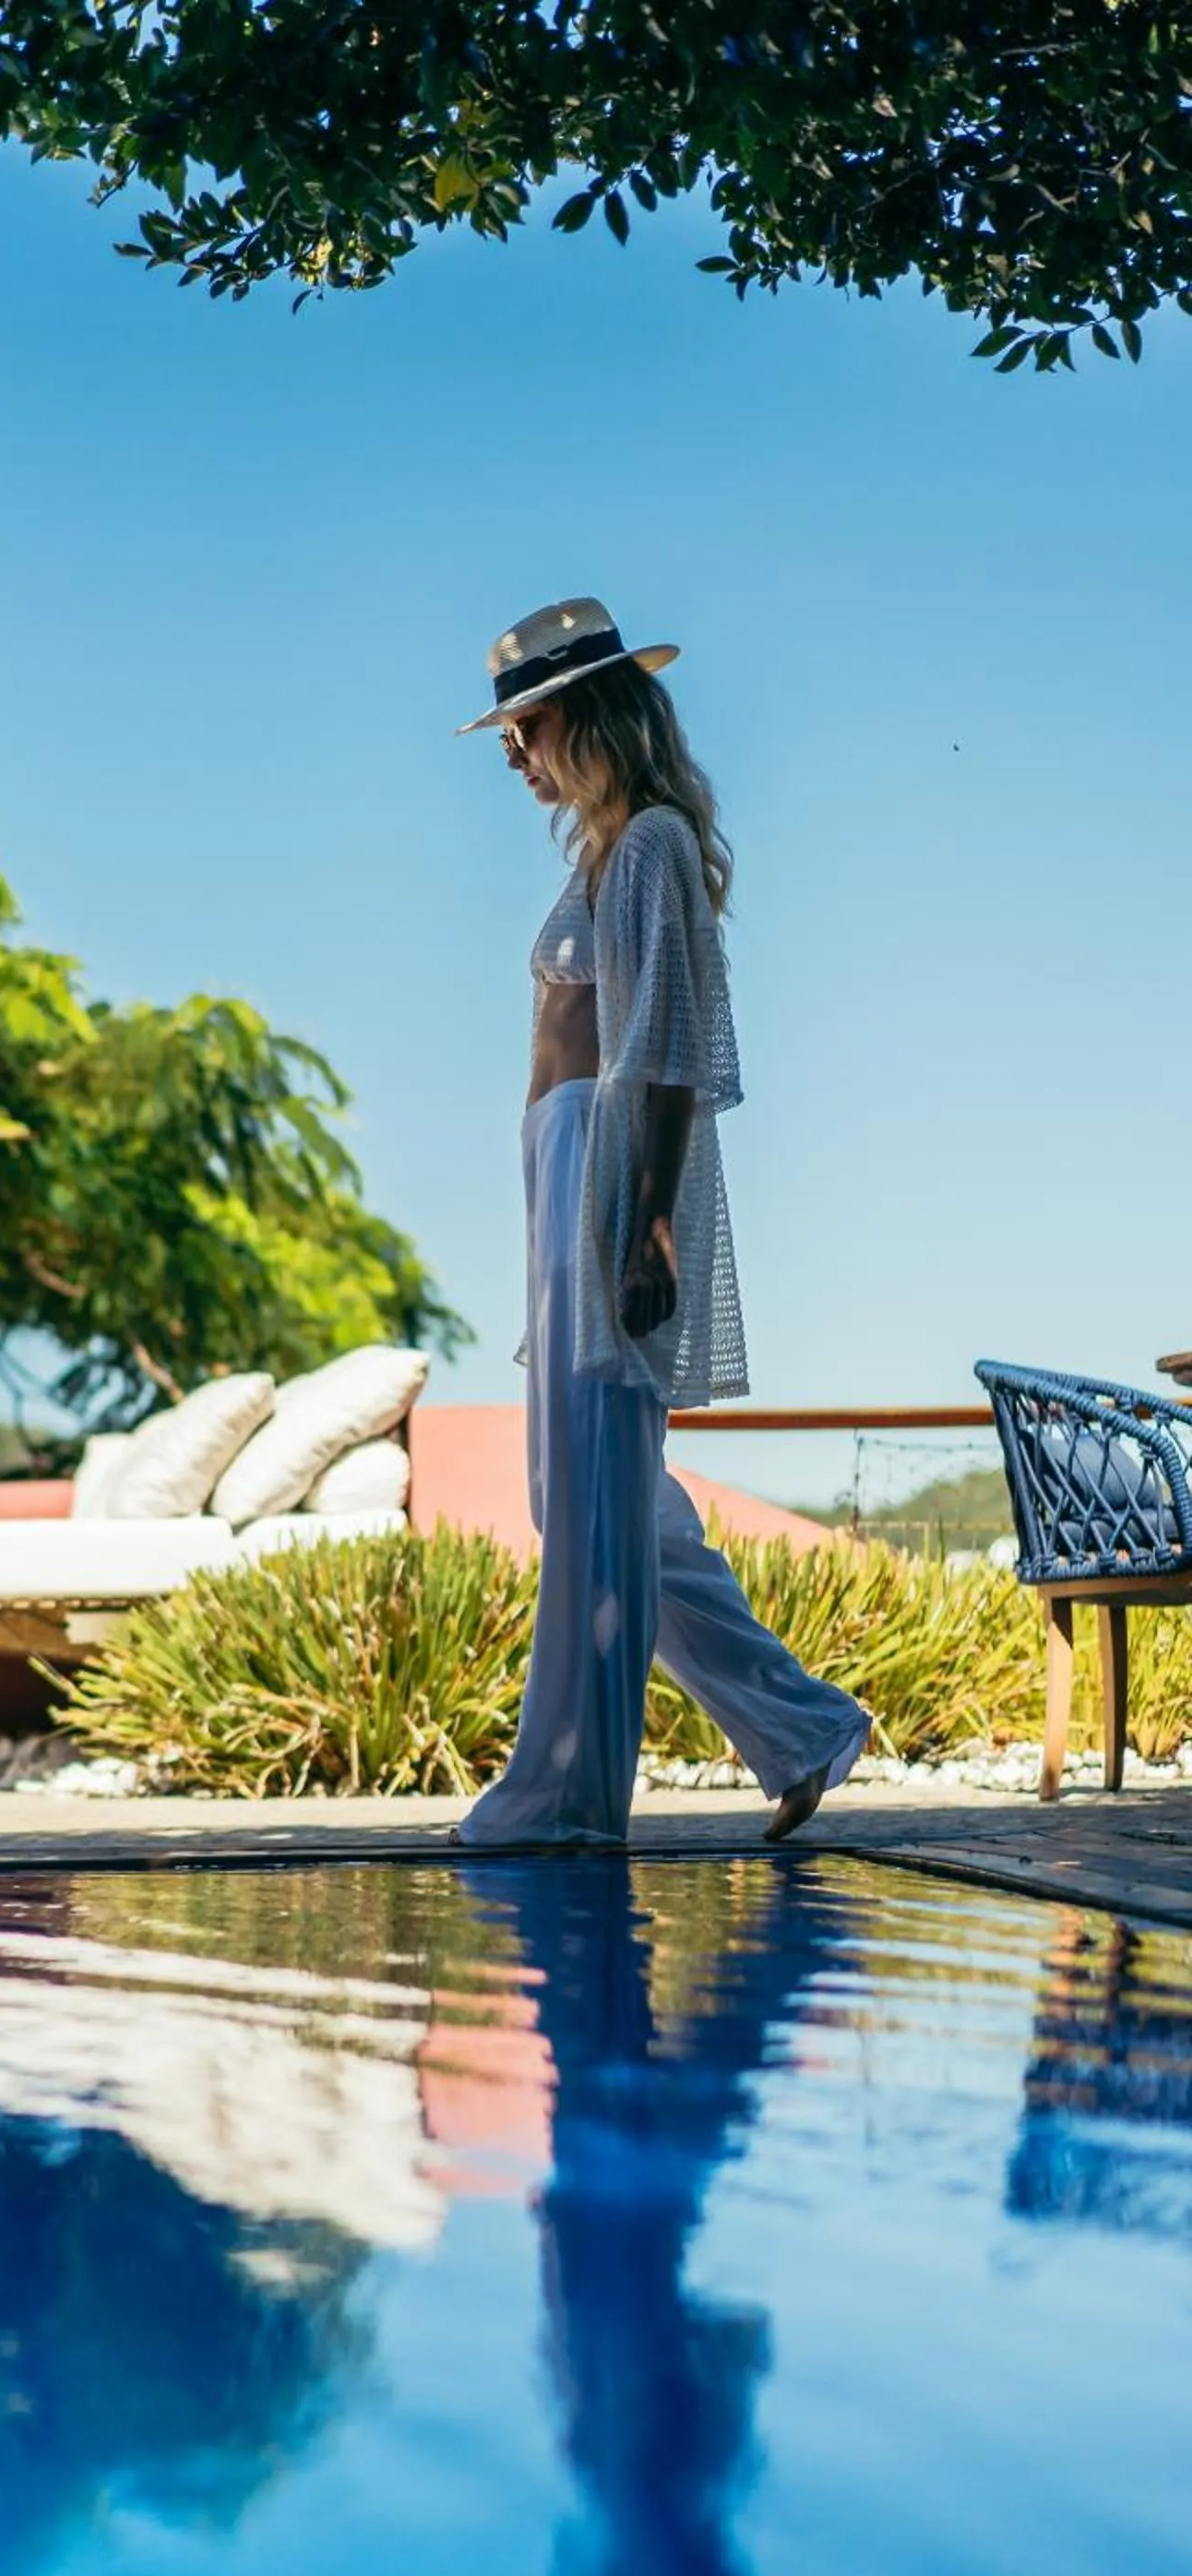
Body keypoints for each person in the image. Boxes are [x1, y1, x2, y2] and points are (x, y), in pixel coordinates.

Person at [454, 597, 869, 1848]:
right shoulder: (602, 853)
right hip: (564, 1162)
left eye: (522, 727)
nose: (511, 754)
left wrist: (647, 1233)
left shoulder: (652, 850)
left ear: (581, 713)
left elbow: (674, 1053)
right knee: (593, 1493)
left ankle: (571, 1793)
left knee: (595, 1492)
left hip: (608, 1160)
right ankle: (799, 1729)